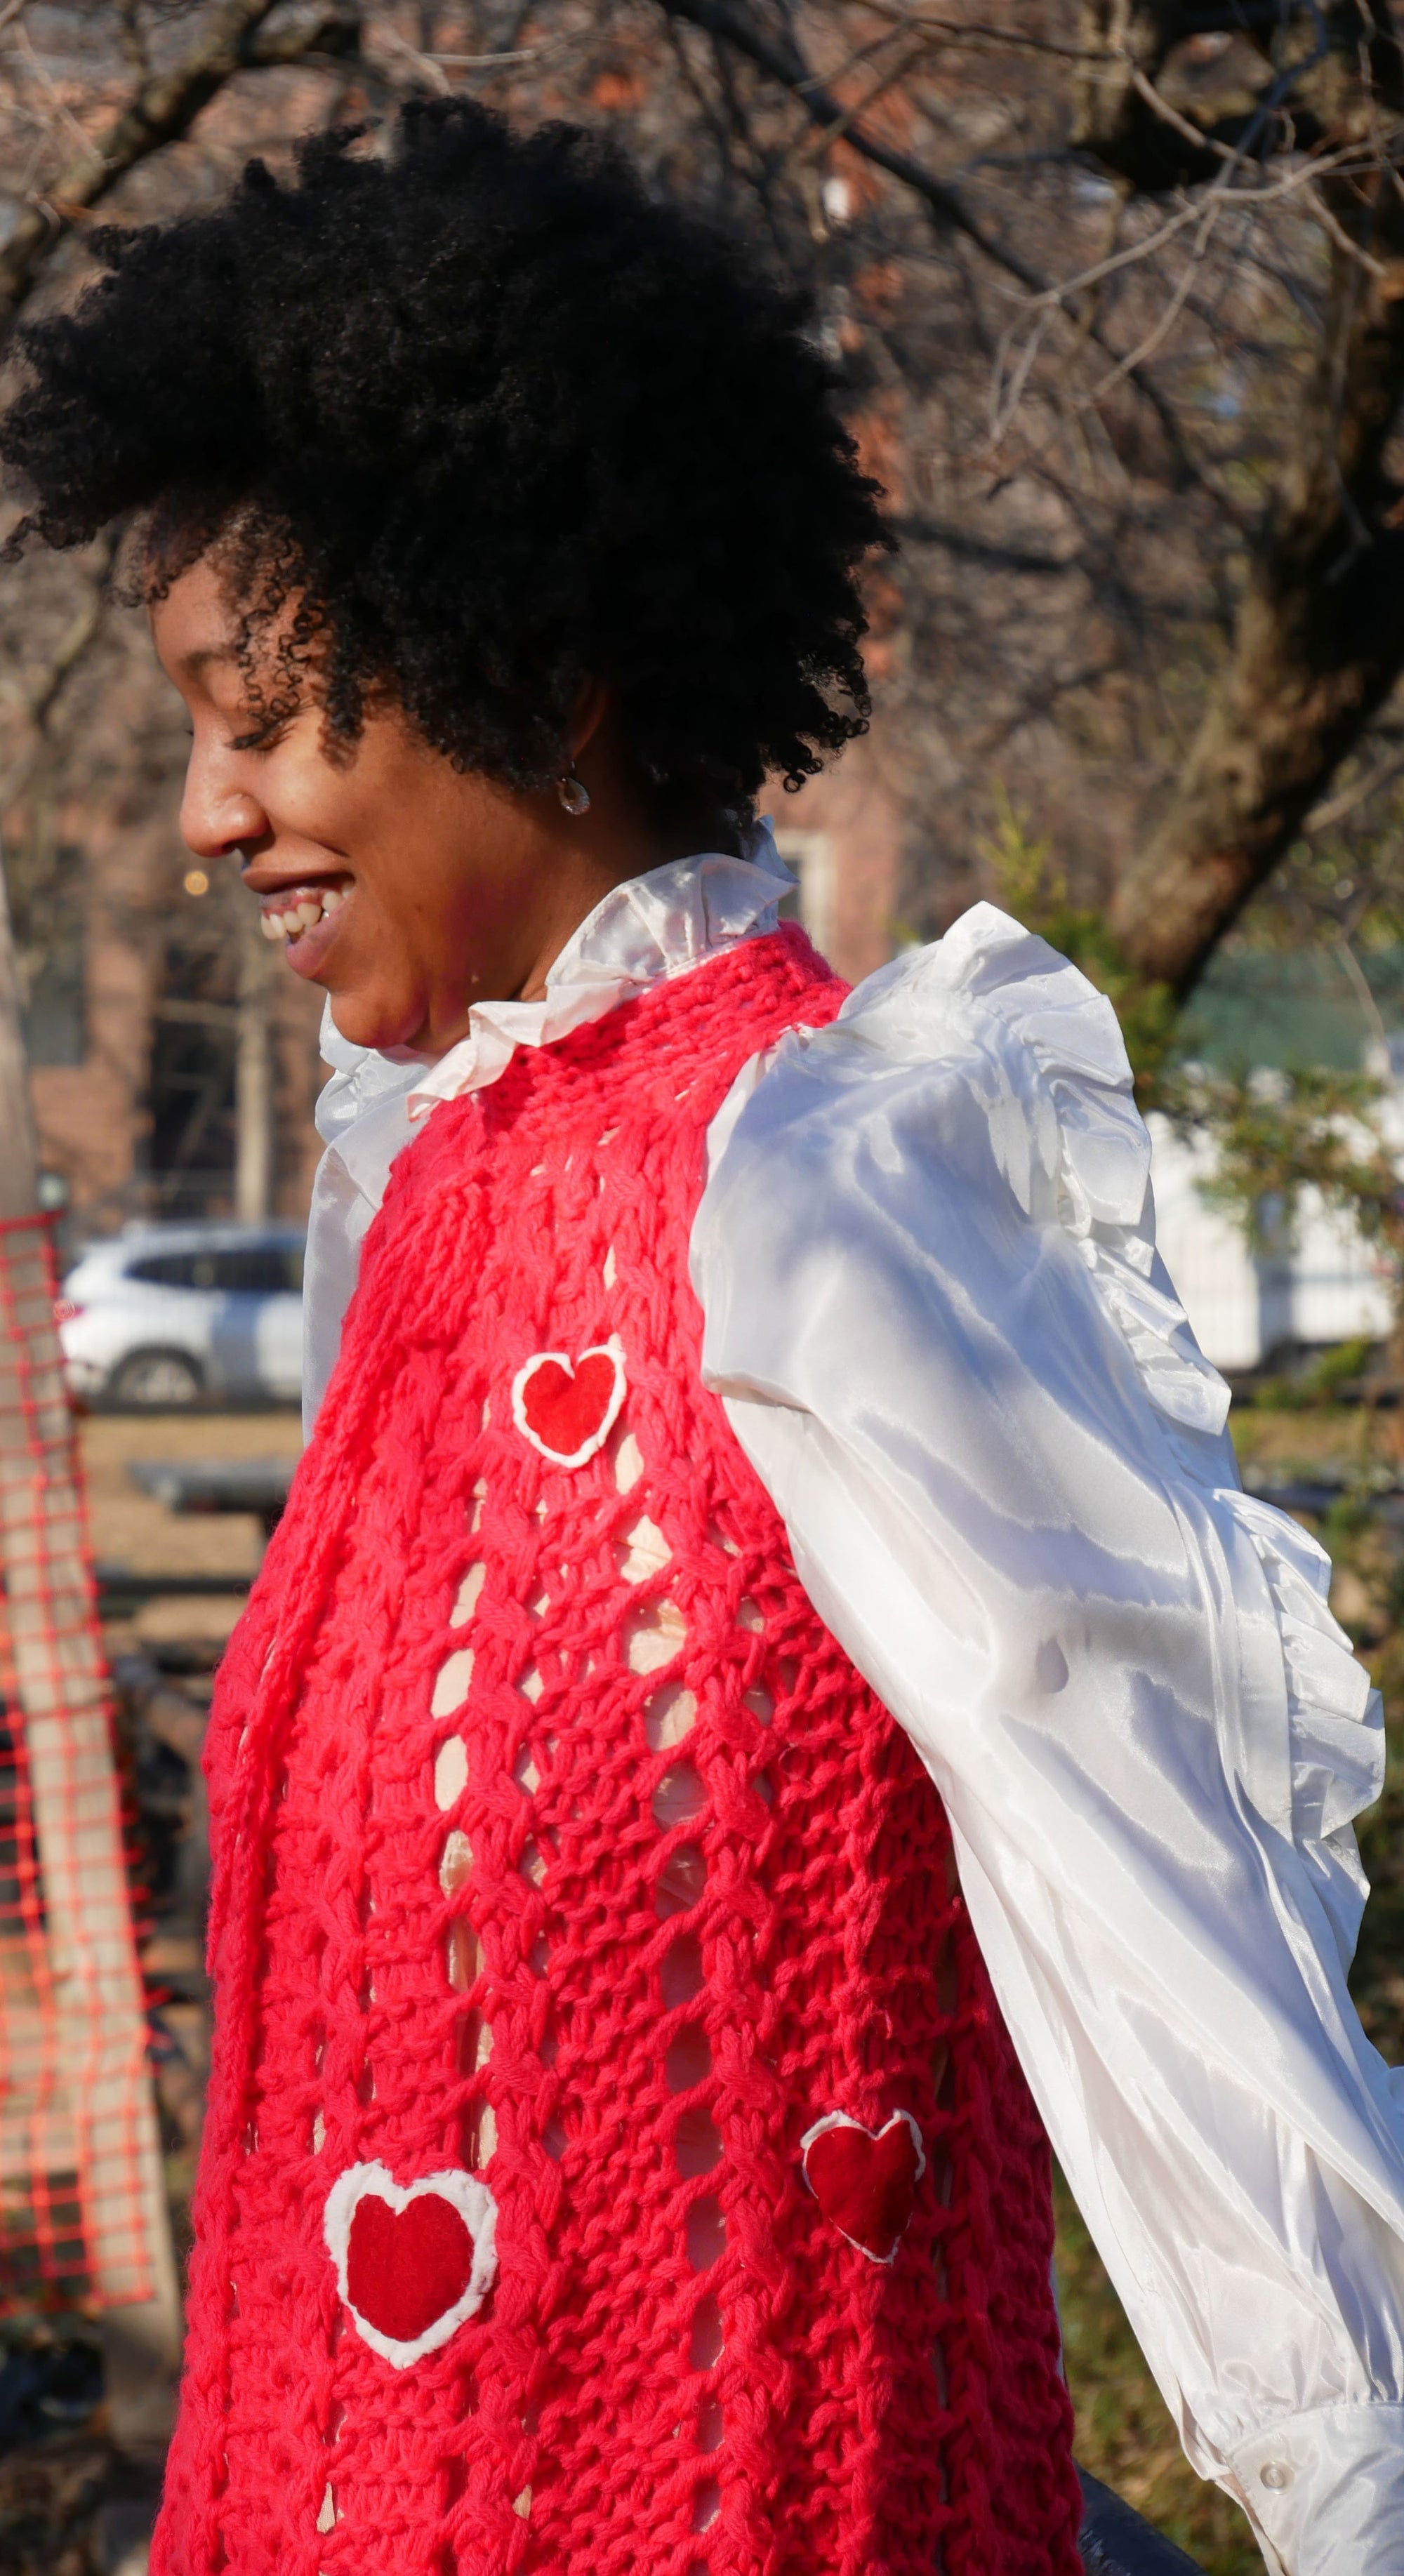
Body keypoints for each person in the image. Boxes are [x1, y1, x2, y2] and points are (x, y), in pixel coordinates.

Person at [4, 98, 1402, 2576]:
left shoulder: (832, 1185)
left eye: (262, 712)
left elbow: (1180, 1947)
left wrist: (1355, 2480)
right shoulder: (420, 1179)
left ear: (532, 673)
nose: (213, 812)